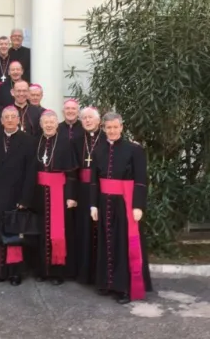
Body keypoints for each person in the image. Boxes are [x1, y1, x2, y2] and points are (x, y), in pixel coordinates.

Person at [89, 112, 152, 304]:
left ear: (121, 127)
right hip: (104, 202)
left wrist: (138, 206)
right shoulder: (98, 150)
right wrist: (93, 204)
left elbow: (141, 180)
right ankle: (107, 283)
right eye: (108, 127)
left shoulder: (134, 149)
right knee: (106, 242)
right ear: (103, 128)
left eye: (115, 127)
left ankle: (123, 288)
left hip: (125, 203)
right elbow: (94, 181)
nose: (112, 131)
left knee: (123, 244)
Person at [0, 106, 37, 286]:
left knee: (15, 234)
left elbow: (31, 172)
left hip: (17, 194)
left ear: (19, 120)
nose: (9, 120)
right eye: (6, 117)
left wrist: (25, 198)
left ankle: (15, 273)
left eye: (13, 117)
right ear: (1, 121)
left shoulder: (28, 141)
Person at [31, 110, 78, 285]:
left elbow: (72, 174)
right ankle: (42, 270)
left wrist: (71, 196)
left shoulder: (65, 142)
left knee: (59, 231)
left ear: (56, 124)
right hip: (39, 193)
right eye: (46, 122)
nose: (49, 125)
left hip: (59, 192)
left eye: (52, 122)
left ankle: (58, 272)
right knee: (41, 231)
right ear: (41, 124)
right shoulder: (36, 141)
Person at [73, 106, 105, 286]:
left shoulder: (106, 139)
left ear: (98, 121)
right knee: (83, 230)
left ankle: (99, 272)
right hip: (81, 190)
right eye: (84, 118)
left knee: (99, 229)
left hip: (101, 189)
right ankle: (84, 273)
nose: (87, 121)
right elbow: (72, 171)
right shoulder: (77, 140)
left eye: (90, 118)